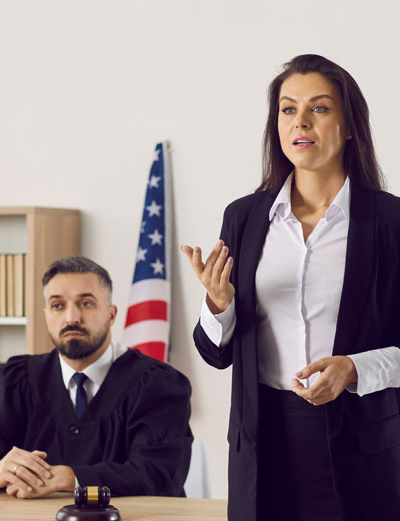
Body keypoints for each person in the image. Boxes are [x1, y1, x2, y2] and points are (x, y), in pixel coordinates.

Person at [182, 54, 400, 521]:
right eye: (287, 109)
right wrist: (218, 305)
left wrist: (353, 369)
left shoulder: (390, 223)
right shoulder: (244, 217)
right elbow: (216, 353)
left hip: (362, 450)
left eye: (319, 108)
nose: (300, 121)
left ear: (348, 127)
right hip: (262, 445)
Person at [0, 256, 192, 499]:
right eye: (58, 305)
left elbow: (159, 475)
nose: (72, 318)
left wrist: (71, 478)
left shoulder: (157, 385)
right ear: (46, 314)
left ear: (111, 315)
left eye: (86, 303)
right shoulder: (14, 380)